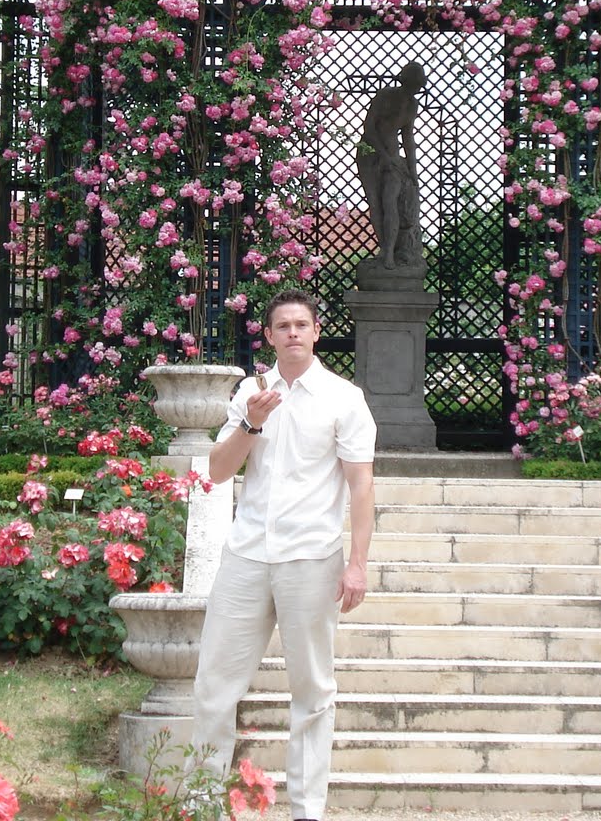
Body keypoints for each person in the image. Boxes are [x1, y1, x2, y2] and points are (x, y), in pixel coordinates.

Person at [189, 288, 376, 821]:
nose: (293, 333)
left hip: (312, 556)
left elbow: (361, 487)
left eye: (302, 325)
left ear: (316, 333)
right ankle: (199, 803)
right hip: (247, 554)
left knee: (313, 689)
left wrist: (357, 565)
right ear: (268, 336)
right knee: (214, 685)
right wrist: (251, 422)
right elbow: (219, 472)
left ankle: (307, 811)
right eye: (283, 326)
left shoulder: (345, 398)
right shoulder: (251, 392)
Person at [355, 61, 427, 269]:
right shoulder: (385, 95)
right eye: (415, 83)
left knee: (391, 203)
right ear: (406, 81)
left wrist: (412, 171)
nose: (416, 89)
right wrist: (383, 155)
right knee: (376, 204)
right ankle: (384, 248)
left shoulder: (413, 105)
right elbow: (369, 127)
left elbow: (408, 138)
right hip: (369, 154)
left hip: (394, 158)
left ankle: (389, 253)